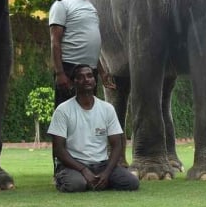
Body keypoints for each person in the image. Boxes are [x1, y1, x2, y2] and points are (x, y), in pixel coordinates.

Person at [46, 65, 137, 193]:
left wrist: (106, 173)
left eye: (90, 76)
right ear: (73, 83)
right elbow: (58, 149)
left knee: (131, 182)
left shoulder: (107, 109)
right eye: (81, 77)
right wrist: (83, 170)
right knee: (76, 185)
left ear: (95, 81)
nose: (86, 79)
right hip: (74, 165)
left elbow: (117, 145)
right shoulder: (63, 110)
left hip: (102, 165)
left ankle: (98, 180)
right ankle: (78, 180)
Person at [49, 0, 101, 105]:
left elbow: (92, 46)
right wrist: (60, 73)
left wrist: (102, 72)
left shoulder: (91, 7)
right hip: (70, 70)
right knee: (68, 117)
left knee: (88, 117)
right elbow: (55, 41)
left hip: (90, 71)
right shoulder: (62, 4)